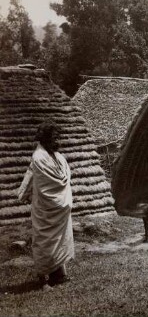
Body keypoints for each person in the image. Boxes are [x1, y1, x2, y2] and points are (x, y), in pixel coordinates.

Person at [17, 121, 74, 289]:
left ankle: (58, 275)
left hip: (60, 211)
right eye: (55, 137)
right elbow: (46, 182)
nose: (58, 141)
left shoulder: (57, 156)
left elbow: (63, 178)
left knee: (59, 240)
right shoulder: (39, 158)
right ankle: (43, 279)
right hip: (45, 210)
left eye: (58, 137)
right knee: (44, 242)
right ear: (45, 139)